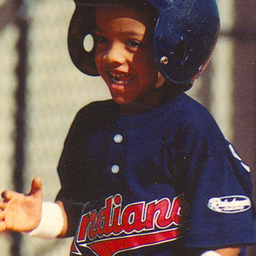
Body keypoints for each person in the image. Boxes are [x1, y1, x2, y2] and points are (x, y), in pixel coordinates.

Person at [0, 0, 255, 255]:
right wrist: (41, 218)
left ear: (178, 47)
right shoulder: (90, 124)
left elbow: (226, 235)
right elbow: (81, 214)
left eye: (132, 43)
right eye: (102, 39)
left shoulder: (190, 127)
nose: (111, 55)